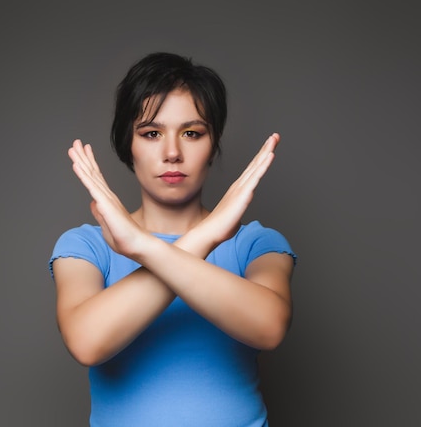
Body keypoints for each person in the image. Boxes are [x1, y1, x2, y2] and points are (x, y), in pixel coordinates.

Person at [49, 52, 297, 427]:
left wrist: (144, 247)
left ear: (212, 145)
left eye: (192, 133)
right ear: (126, 144)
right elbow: (87, 342)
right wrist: (205, 238)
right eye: (151, 133)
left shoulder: (256, 243)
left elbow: (269, 327)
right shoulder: (86, 246)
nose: (172, 153)